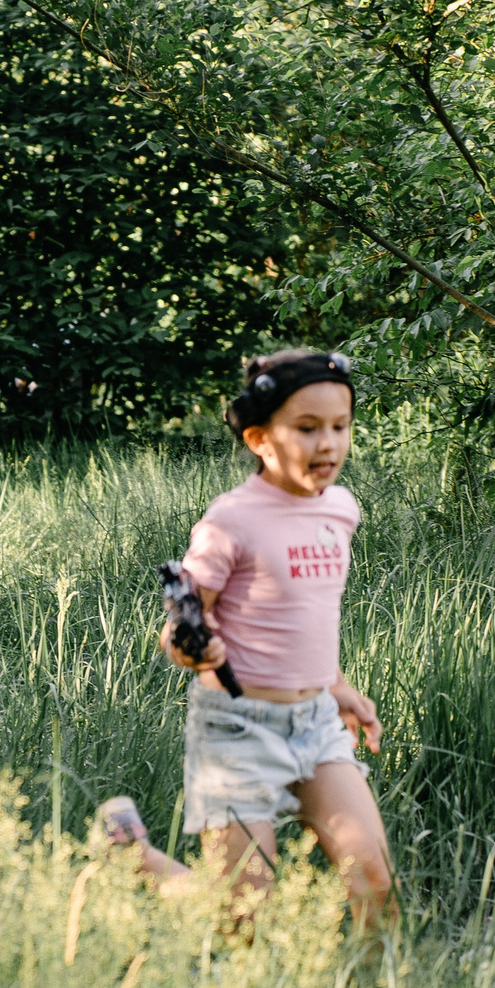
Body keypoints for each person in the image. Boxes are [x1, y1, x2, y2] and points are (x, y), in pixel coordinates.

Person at [98, 348, 398, 931]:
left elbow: (307, 615)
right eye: (307, 429)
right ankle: (135, 859)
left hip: (314, 722)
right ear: (260, 439)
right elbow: (182, 627)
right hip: (236, 726)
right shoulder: (230, 520)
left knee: (374, 880)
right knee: (243, 913)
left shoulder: (341, 508)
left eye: (340, 427)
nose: (329, 444)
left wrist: (336, 686)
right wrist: (192, 647)